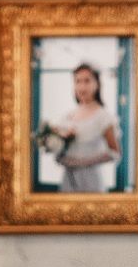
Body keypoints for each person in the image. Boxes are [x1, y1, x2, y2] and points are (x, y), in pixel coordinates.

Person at [49, 62, 122, 193]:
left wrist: (82, 162)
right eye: (78, 81)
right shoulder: (67, 117)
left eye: (87, 81)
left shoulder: (104, 116)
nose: (82, 86)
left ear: (97, 84)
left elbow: (115, 153)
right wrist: (57, 153)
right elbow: (58, 149)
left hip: (91, 184)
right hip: (67, 183)